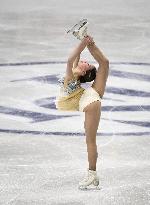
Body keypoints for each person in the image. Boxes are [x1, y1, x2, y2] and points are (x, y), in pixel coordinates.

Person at [55, 34, 109, 190]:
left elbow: (70, 59)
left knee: (90, 141)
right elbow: (76, 58)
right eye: (85, 62)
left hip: (88, 102)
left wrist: (84, 42)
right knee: (104, 63)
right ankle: (92, 173)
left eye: (87, 64)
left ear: (85, 72)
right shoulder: (74, 74)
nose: (85, 62)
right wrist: (85, 41)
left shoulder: (71, 75)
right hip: (86, 99)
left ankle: (92, 174)